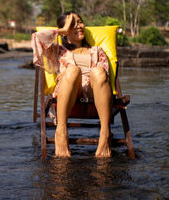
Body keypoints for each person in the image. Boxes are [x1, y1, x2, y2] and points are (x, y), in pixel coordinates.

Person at [31, 12, 112, 157]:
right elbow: (37, 38)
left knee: (99, 72)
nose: (78, 26)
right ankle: (61, 133)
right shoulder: (58, 51)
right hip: (68, 94)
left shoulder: (97, 51)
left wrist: (88, 73)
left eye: (79, 22)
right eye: (72, 24)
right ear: (65, 30)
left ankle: (105, 135)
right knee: (73, 70)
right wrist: (63, 30)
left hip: (94, 95)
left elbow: (104, 78)